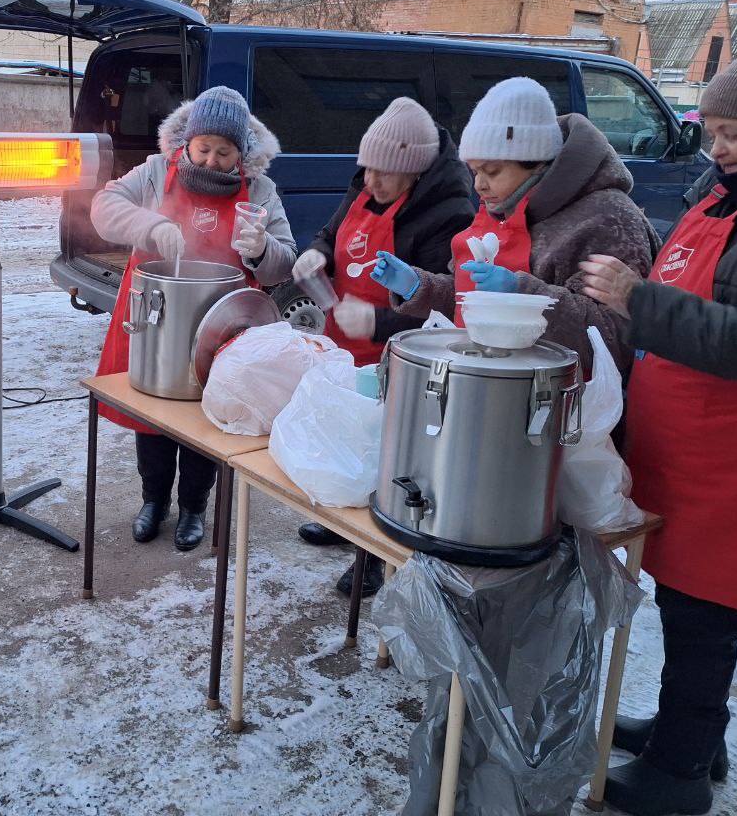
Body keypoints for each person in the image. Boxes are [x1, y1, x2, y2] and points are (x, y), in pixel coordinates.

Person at [580, 44, 737, 816]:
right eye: (709, 126)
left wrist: (641, 302)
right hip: (683, 450)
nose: (716, 145)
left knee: (706, 619)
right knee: (684, 608)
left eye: (733, 130)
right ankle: (692, 736)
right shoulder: (727, 193)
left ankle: (679, 778)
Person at [91, 86, 295, 550]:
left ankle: (194, 509)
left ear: (241, 152)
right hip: (158, 312)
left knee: (210, 414)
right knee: (155, 413)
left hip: (224, 322)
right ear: (187, 142)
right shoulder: (157, 170)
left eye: (225, 153)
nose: (211, 161)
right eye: (204, 149)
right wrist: (152, 225)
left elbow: (286, 262)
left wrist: (262, 250)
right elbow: (103, 209)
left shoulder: (260, 190)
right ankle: (153, 501)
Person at [290, 97, 473, 597]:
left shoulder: (448, 211)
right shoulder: (366, 184)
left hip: (400, 354)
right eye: (366, 168)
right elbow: (333, 232)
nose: (371, 181)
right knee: (345, 437)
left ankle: (371, 556)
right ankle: (338, 520)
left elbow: (445, 305)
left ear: (413, 172)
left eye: (384, 174)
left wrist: (378, 319)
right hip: (342, 340)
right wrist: (316, 253)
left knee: (385, 457)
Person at [370, 76, 659, 374]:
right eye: (474, 171)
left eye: (492, 172)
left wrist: (522, 295)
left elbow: (616, 338)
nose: (479, 186)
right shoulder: (501, 205)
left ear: (536, 161)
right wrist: (419, 286)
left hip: (559, 403)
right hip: (483, 381)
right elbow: (470, 299)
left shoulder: (607, 219)